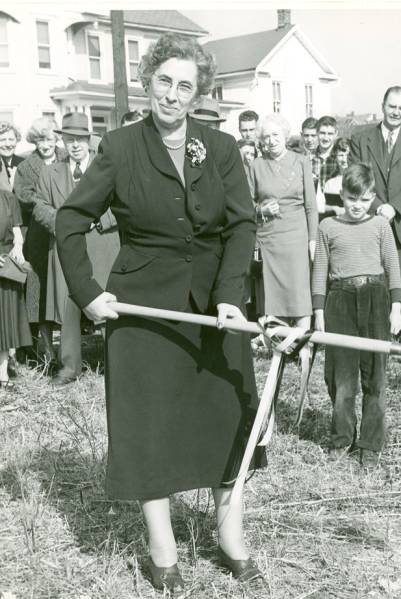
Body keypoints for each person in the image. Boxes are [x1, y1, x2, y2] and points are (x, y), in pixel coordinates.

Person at [54, 33, 266, 591]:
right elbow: (70, 220)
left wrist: (229, 292)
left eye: (185, 86)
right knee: (149, 426)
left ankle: (230, 536)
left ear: (199, 95)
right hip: (142, 310)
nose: (173, 95)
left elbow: (242, 223)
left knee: (227, 415)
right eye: (165, 81)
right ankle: (162, 545)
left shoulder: (219, 149)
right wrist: (87, 291)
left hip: (215, 310)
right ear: (149, 81)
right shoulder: (120, 147)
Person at [312, 163, 401, 467]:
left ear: (373, 197)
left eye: (365, 200)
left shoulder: (380, 226)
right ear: (342, 196)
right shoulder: (327, 227)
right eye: (352, 199)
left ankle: (370, 444)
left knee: (375, 376)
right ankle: (341, 439)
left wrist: (397, 308)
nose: (358, 206)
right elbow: (319, 271)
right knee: (341, 376)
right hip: (339, 299)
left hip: (375, 297)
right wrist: (318, 312)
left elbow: (393, 268)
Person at [33, 112, 120, 387]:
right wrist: (63, 224)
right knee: (68, 305)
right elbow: (38, 206)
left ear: (89, 140)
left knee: (107, 302)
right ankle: (69, 367)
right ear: (63, 141)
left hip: (103, 244)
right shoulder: (50, 172)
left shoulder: (106, 168)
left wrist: (100, 220)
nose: (75, 145)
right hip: (65, 247)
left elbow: (122, 205)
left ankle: (117, 364)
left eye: (80, 139)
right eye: (69, 139)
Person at [350, 85, 401, 346]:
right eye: (392, 106)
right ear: (382, 105)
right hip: (371, 224)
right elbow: (357, 176)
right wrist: (377, 206)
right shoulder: (361, 139)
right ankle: (378, 344)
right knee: (374, 286)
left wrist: (393, 207)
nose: (396, 112)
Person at [248, 114, 317, 335]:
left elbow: (311, 207)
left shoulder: (301, 161)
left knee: (298, 289)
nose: (271, 140)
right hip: (269, 238)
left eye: (275, 135)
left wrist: (312, 239)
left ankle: (301, 341)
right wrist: (261, 210)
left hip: (296, 236)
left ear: (285, 135)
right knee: (273, 292)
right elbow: (246, 204)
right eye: (266, 137)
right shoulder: (256, 165)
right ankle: (278, 341)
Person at [13, 117, 61, 364]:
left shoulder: (66, 157)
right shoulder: (26, 167)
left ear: (56, 139)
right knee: (42, 290)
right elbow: (25, 197)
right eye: (41, 140)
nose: (46, 144)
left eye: (50, 138)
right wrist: (53, 211)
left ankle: (69, 348)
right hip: (40, 234)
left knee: (65, 288)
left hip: (69, 232)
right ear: (35, 141)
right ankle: (47, 350)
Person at [0, 190, 31, 394]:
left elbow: (18, 234)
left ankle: (2, 372)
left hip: (5, 268)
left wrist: (18, 248)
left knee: (4, 324)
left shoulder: (7, 197)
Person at [321, 137, 351, 217]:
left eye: (348, 155)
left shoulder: (359, 180)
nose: (344, 159)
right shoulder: (330, 182)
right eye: (341, 155)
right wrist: (334, 208)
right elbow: (321, 206)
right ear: (335, 157)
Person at [0, 122, 24, 193]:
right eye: (2, 140)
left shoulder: (24, 164)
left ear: (17, 140)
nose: (7, 144)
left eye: (11, 139)